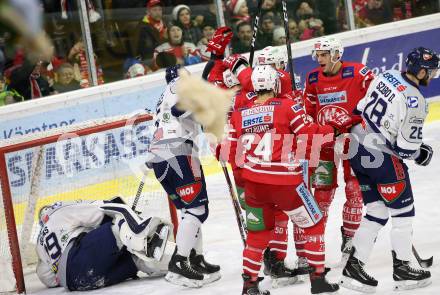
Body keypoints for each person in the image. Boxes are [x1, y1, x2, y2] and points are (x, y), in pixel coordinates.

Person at [229, 65, 356, 294]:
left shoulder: (238, 114)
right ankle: (317, 281)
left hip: (254, 185)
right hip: (285, 184)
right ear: (274, 85)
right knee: (314, 222)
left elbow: (230, 151)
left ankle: (249, 286)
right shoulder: (287, 106)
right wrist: (332, 130)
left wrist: (242, 181)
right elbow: (309, 133)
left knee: (257, 235)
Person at [340, 47, 439, 293]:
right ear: (421, 70)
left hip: (355, 147)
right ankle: (403, 268)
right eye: (432, 71)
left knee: (376, 210)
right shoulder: (415, 101)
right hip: (381, 159)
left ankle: (354, 266)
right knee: (403, 213)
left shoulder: (386, 75)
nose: (434, 75)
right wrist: (421, 153)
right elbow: (405, 150)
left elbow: (359, 110)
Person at [303, 36, 375, 267]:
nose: (319, 59)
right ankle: (314, 244)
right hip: (325, 145)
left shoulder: (358, 72)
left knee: (355, 190)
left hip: (353, 141)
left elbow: (376, 97)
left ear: (336, 54)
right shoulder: (313, 78)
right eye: (318, 55)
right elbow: (308, 110)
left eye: (324, 54)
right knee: (322, 196)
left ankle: (350, 239)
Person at [146, 65, 221, 288]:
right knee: (198, 209)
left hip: (162, 158)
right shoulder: (179, 85)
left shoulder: (164, 96)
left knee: (190, 211)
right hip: (177, 153)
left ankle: (194, 259)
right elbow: (182, 109)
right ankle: (179, 263)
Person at [35, 198, 173, 291]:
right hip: (78, 258)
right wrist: (129, 215)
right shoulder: (59, 212)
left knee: (133, 260)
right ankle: (175, 260)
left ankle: (175, 264)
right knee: (119, 220)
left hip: (76, 283)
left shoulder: (40, 244)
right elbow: (101, 210)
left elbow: (47, 278)